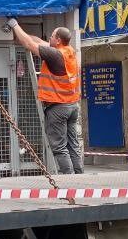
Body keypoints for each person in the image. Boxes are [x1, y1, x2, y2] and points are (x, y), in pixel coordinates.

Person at [5, 19, 84, 175]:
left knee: (59, 147)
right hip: (72, 106)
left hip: (58, 107)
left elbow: (29, 44)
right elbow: (39, 41)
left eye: (52, 36)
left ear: (58, 40)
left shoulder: (55, 54)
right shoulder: (69, 51)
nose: (50, 38)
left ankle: (70, 179)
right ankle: (79, 175)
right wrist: (20, 35)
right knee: (73, 145)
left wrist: (14, 24)